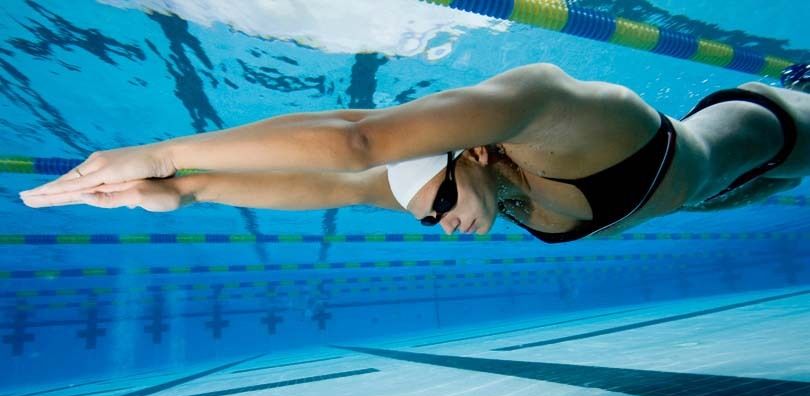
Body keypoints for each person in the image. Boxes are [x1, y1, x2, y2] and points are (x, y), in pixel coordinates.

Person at [19, 62, 810, 243]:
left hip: (785, 117)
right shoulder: (466, 186)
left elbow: (356, 141)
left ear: (466, 153)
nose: (440, 224)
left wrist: (161, 152)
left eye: (433, 205)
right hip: (745, 178)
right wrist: (191, 191)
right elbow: (332, 185)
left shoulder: (557, 114)